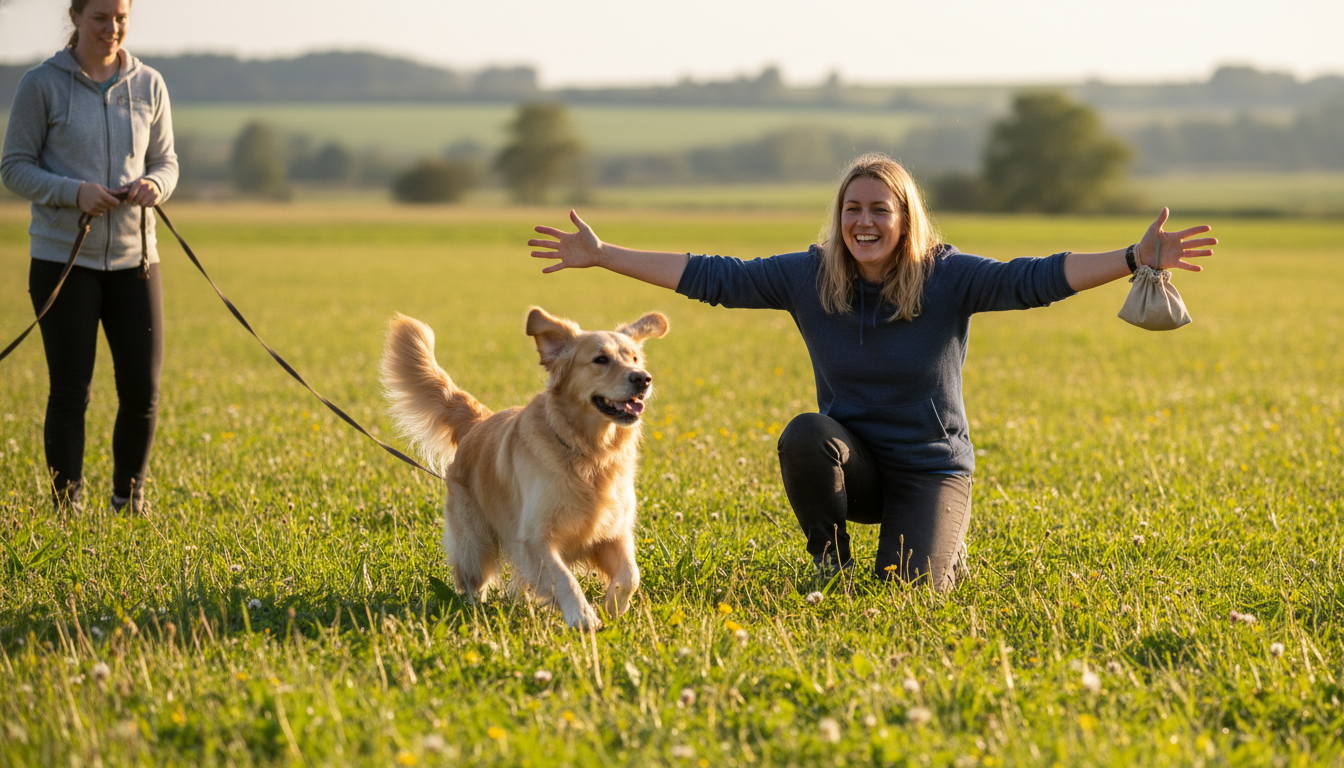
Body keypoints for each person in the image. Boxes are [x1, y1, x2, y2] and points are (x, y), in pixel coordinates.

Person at [528, 153, 1216, 590]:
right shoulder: (808, 276)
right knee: (805, 433)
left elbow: (1033, 279)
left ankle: (936, 545)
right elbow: (715, 277)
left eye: (878, 210)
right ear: (839, 217)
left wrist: (1132, 256)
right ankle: (829, 561)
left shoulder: (947, 277)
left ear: (903, 217)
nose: (863, 221)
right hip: (852, 463)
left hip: (930, 469)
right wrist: (602, 254)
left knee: (911, 594)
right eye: (852, 209)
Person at [1, 0, 178, 513]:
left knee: (142, 390)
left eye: (121, 17)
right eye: (101, 17)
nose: (113, 28)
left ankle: (129, 500)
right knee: (70, 391)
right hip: (63, 259)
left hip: (136, 260)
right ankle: (66, 506)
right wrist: (72, 191)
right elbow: (14, 167)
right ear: (76, 17)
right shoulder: (41, 84)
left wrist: (154, 185)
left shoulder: (150, 85)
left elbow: (166, 161)